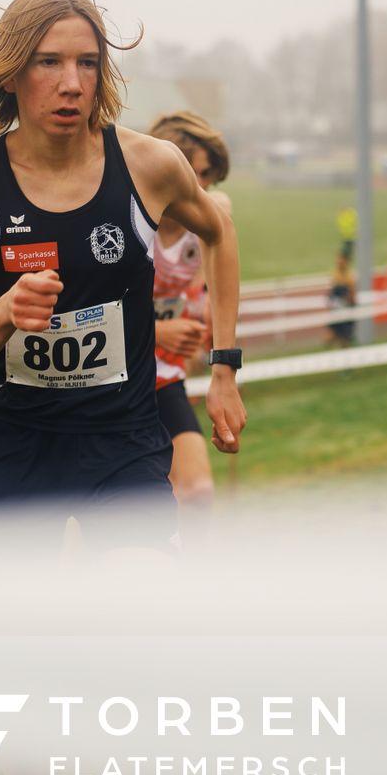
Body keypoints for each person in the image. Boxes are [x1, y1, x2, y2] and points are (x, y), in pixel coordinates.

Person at [0, 0, 245, 775]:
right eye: (48, 62)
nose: (69, 82)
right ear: (13, 71)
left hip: (118, 437)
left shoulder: (145, 166)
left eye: (86, 62)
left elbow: (221, 234)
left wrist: (224, 367)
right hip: (17, 441)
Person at [146, 110, 232, 514]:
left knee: (197, 493)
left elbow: (221, 214)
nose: (206, 187)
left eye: (210, 178)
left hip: (163, 376)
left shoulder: (208, 217)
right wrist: (157, 332)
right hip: (107, 375)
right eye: (198, 175)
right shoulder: (128, 218)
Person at [327, 246, 358, 345]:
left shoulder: (350, 276)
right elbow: (331, 292)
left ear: (345, 261)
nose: (338, 261)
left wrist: (346, 302)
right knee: (333, 337)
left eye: (340, 259)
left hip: (346, 310)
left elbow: (352, 298)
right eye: (337, 259)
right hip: (336, 310)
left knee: (345, 339)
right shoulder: (334, 274)